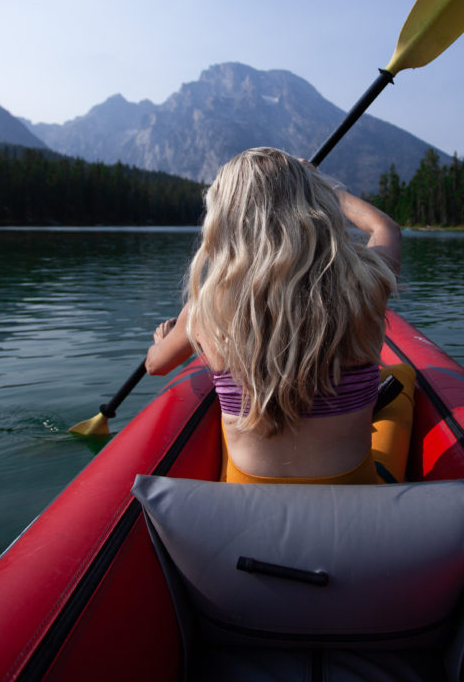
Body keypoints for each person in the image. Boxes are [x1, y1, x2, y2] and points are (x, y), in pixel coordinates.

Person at [146, 147, 413, 483]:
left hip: (247, 511)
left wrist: (163, 339)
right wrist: (329, 189)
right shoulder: (366, 286)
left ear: (224, 219)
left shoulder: (203, 309)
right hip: (354, 502)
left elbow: (155, 366)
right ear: (313, 208)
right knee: (403, 376)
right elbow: (385, 229)